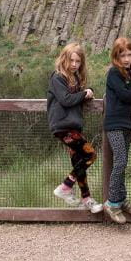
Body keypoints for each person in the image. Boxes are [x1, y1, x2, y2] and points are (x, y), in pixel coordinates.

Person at [47, 43, 102, 213]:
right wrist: (84, 94)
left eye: (78, 61)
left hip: (74, 126)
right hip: (63, 126)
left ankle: (86, 199)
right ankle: (65, 186)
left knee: (79, 162)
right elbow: (66, 100)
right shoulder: (57, 77)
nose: (74, 64)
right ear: (64, 58)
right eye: (71, 60)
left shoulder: (75, 79)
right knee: (90, 154)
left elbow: (77, 98)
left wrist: (88, 91)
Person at [102, 37, 131, 224]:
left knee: (122, 162)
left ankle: (122, 198)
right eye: (122, 55)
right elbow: (126, 96)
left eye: (129, 54)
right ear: (116, 56)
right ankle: (111, 202)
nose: (126, 58)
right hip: (114, 124)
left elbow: (129, 102)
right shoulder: (114, 74)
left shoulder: (129, 74)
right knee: (120, 160)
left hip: (126, 124)